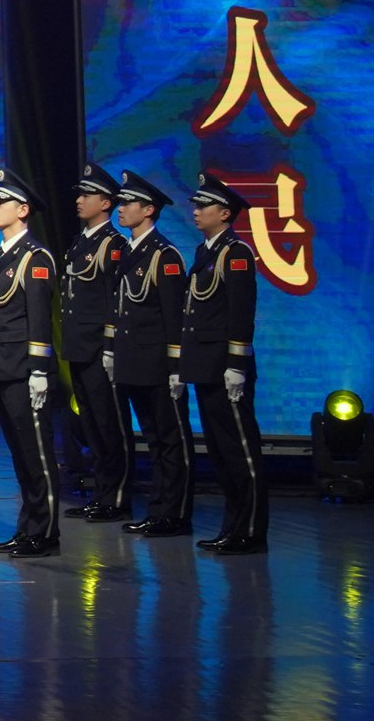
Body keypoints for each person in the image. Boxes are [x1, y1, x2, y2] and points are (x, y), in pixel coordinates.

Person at [180, 173, 268, 555]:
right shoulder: (206, 252)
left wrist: (237, 363)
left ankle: (250, 530)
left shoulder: (235, 252)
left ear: (225, 213)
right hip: (205, 364)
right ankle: (232, 526)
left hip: (225, 366)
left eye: (204, 205)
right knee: (219, 451)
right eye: (196, 204)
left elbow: (240, 312)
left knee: (240, 451)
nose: (196, 211)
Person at [109, 171, 194, 538]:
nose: (121, 208)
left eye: (128, 203)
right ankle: (158, 509)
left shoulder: (164, 254)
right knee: (154, 441)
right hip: (134, 362)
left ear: (148, 209)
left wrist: (177, 366)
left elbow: (175, 316)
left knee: (171, 441)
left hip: (158, 363)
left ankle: (174, 514)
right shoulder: (130, 251)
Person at [0, 172, 60, 557]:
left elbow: (39, 318)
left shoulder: (34, 257)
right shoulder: (2, 255)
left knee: (37, 454)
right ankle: (27, 527)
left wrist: (40, 371)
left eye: (1, 202)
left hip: (25, 371)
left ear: (23, 210)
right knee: (20, 455)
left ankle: (44, 532)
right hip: (3, 367)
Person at [58, 164, 134, 522]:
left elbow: (113, 300)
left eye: (87, 195)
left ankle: (117, 496)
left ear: (105, 203)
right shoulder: (81, 242)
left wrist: (110, 346)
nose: (79, 200)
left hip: (99, 347)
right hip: (78, 345)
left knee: (109, 425)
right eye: (79, 194)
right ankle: (102, 492)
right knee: (90, 424)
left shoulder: (113, 245)